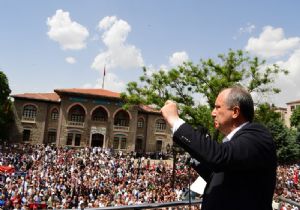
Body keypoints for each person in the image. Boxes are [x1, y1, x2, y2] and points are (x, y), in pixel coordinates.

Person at [161, 86, 277, 210]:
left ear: (235, 112)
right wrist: (196, 155)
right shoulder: (235, 142)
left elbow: (220, 156)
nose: (213, 113)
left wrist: (175, 120)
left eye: (217, 107)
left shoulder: (257, 136)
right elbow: (223, 175)